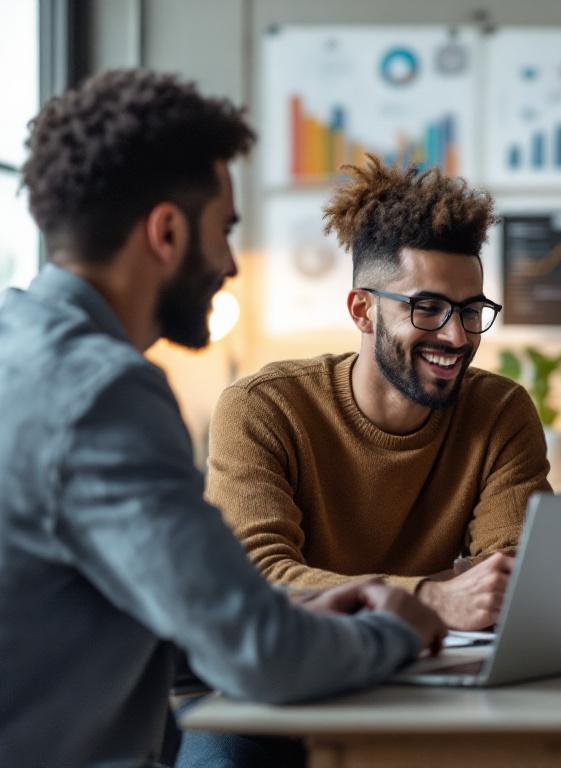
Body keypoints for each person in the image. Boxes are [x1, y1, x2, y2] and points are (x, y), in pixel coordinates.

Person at [0, 69, 445, 767]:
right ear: (168, 232)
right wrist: (399, 631)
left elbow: (106, 605)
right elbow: (261, 659)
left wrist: (291, 613)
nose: (231, 263)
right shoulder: (102, 395)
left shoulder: (17, 349)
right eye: (225, 230)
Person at [205, 158, 549, 631]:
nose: (457, 337)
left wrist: (449, 597)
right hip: (306, 675)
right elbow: (258, 577)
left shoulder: (499, 412)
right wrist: (432, 597)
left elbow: (511, 578)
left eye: (471, 311)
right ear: (363, 310)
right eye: (428, 308)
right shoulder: (265, 408)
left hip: (437, 673)